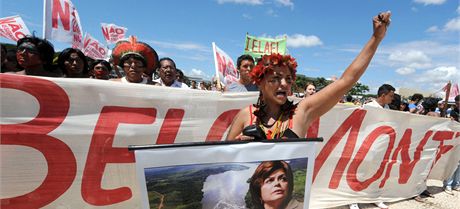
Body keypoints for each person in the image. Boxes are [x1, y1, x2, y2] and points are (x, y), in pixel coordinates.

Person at [226, 12, 391, 141]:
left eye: (288, 79)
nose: (283, 84)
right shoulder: (245, 115)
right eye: (275, 79)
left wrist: (376, 38)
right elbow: (219, 160)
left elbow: (346, 81)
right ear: (260, 83)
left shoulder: (301, 112)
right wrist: (237, 146)